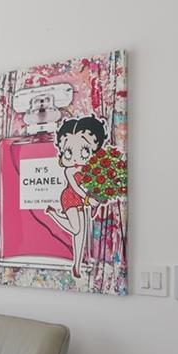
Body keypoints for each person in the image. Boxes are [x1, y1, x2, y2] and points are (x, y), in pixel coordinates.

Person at [46, 115, 108, 278]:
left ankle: (77, 265)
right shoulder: (70, 170)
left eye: (84, 150)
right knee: (76, 228)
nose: (75, 158)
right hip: (70, 198)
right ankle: (53, 213)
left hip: (82, 200)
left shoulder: (90, 169)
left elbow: (92, 185)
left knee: (80, 235)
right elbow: (77, 188)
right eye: (68, 152)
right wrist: (88, 199)